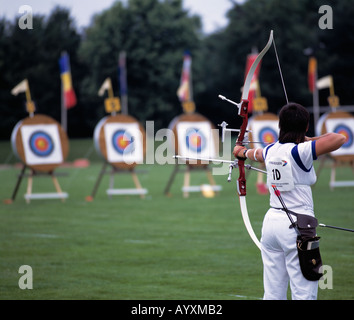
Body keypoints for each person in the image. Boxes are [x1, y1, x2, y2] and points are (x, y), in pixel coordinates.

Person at [233, 102, 346, 300]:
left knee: (273, 293)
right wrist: (308, 138)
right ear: (305, 127)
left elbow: (254, 153)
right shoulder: (301, 151)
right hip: (297, 226)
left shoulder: (270, 150)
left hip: (271, 225)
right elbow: (339, 138)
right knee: (304, 292)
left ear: (280, 125)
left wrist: (240, 152)